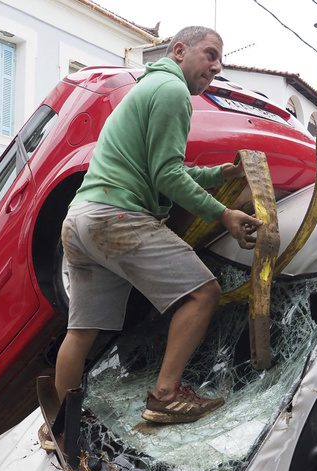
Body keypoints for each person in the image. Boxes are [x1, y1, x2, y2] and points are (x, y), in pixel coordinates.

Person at [51, 26, 262, 436]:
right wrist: (224, 215)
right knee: (204, 293)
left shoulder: (146, 90)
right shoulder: (171, 92)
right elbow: (167, 177)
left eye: (221, 61)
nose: (216, 67)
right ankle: (166, 396)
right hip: (118, 217)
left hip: (81, 220)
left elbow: (165, 170)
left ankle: (58, 423)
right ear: (179, 50)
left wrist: (223, 173)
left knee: (81, 331)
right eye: (211, 54)